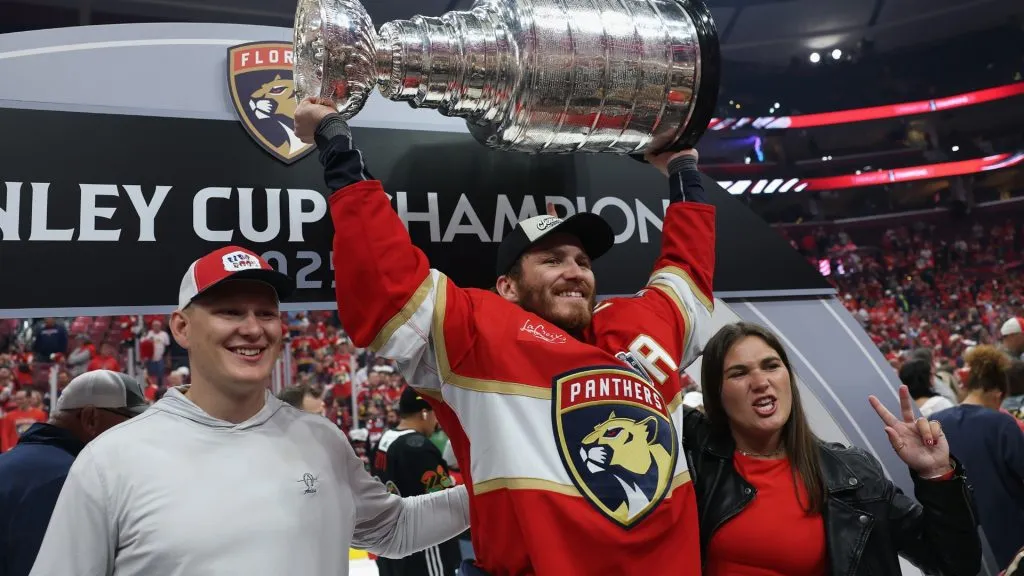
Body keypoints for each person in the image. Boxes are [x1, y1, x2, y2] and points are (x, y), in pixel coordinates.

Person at [296, 96, 715, 575]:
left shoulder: (641, 326)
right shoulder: (480, 330)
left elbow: (687, 273)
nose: (574, 271)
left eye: (582, 261)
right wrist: (336, 143)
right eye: (552, 260)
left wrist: (682, 168)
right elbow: (384, 282)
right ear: (507, 286)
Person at [28, 246, 469, 576]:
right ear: (181, 326)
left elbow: (394, 529)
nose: (253, 328)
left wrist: (503, 487)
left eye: (266, 313)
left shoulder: (321, 439)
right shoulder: (110, 461)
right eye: (230, 311)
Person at [684, 322, 980, 576]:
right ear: (715, 392)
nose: (761, 382)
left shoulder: (854, 475)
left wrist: (937, 475)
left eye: (771, 366)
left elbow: (955, 564)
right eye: (739, 373)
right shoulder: (693, 463)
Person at [0, 370, 147, 576]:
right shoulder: (74, 478)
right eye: (131, 422)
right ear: (91, 419)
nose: (141, 433)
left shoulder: (9, 463)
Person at [932, 345, 1024, 570]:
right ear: (998, 393)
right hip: (1008, 537)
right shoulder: (1002, 424)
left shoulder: (934, 423)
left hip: (956, 542)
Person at [371, 387, 462, 576]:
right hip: (424, 548)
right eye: (435, 413)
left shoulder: (384, 439)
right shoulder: (417, 447)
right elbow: (442, 498)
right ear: (424, 413)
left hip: (393, 545)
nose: (437, 422)